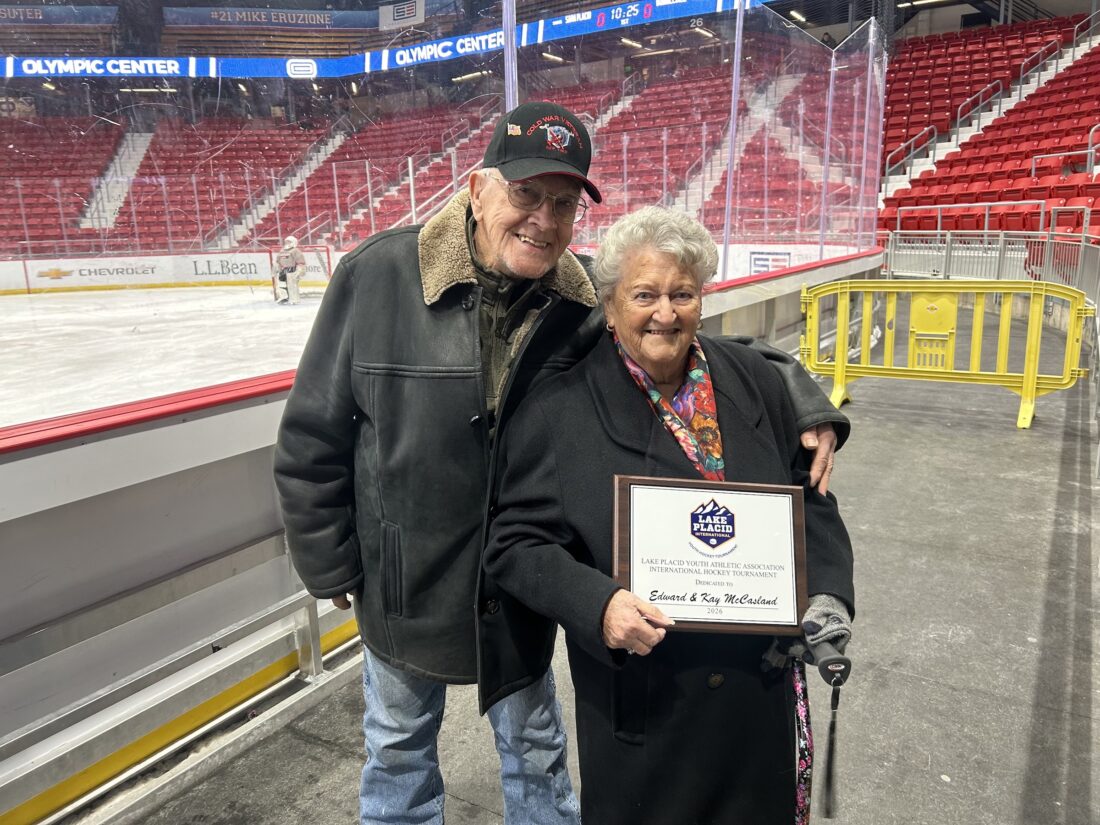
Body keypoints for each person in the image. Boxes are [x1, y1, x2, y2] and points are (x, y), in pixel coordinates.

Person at [274, 102, 845, 825]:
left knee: (536, 754)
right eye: (526, 194)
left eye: (564, 203)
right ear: (478, 189)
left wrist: (805, 401)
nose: (543, 219)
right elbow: (311, 434)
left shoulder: (576, 296)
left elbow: (686, 336)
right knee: (397, 752)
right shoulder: (379, 275)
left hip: (516, 593)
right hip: (404, 583)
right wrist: (330, 566)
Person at [482, 206, 855, 824]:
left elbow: (808, 493)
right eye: (644, 295)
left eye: (682, 294)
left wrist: (829, 594)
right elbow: (515, 544)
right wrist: (598, 605)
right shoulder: (559, 410)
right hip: (647, 709)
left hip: (756, 702)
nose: (666, 312)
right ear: (609, 307)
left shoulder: (757, 380)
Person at [273, 235, 305, 304]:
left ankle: (294, 299)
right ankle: (284, 297)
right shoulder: (282, 250)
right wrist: (277, 268)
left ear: (294, 242)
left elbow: (301, 261)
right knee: (282, 285)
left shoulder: (295, 251)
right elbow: (278, 260)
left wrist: (299, 270)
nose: (287, 243)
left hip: (292, 270)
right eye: (286, 242)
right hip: (283, 270)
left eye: (289, 242)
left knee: (292, 285)